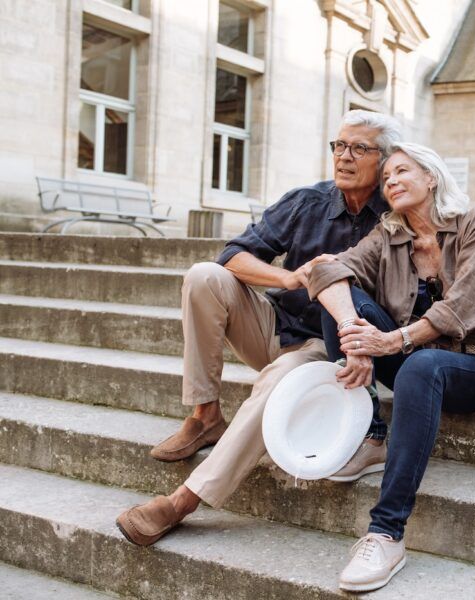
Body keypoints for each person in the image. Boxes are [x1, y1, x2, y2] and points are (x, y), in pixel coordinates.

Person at [115, 110, 402, 546]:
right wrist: (286, 278)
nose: (344, 157)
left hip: (327, 347)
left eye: (359, 148)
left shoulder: (395, 218)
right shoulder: (308, 200)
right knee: (203, 276)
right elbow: (233, 254)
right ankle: (205, 415)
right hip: (274, 325)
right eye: (339, 146)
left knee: (279, 380)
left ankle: (182, 501)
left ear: (385, 160)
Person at [307, 142, 475, 592]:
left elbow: (461, 311)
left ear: (431, 177)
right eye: (386, 178)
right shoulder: (389, 233)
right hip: (406, 357)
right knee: (340, 296)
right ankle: (374, 434)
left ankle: (386, 533)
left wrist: (390, 340)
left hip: (473, 367)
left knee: (422, 365)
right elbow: (325, 269)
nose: (391, 182)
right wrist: (355, 339)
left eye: (402, 171)